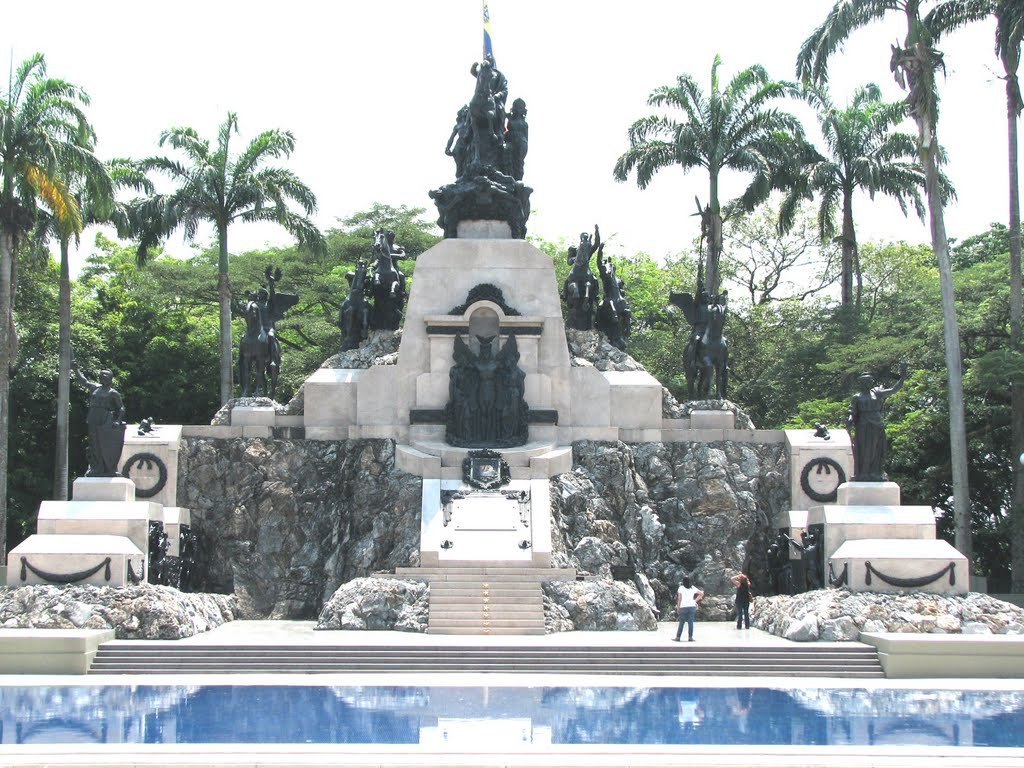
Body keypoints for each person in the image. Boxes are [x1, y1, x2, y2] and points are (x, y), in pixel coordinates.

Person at [847, 364, 908, 481]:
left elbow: (893, 389)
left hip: (876, 424)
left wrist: (902, 377)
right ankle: (863, 473)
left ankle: (876, 473)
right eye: (866, 382)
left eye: (870, 381)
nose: (869, 383)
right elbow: (852, 411)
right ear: (862, 383)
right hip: (863, 425)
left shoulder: (877, 393)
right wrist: (850, 419)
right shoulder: (856, 397)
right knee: (864, 449)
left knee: (876, 448)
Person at [74, 364, 126, 477]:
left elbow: (121, 408)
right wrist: (76, 369)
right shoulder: (95, 388)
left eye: (105, 376)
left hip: (105, 419)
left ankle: (108, 468)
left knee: (103, 443)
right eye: (101, 376)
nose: (103, 378)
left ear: (110, 378)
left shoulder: (113, 393)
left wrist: (117, 421)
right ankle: (96, 468)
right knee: (94, 444)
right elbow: (84, 381)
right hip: (93, 417)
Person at [672, 575, 704, 642]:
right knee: (690, 622)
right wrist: (694, 601)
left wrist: (678, 607)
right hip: (692, 607)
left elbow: (679, 599)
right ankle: (690, 637)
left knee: (681, 622)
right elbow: (701, 594)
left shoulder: (681, 588)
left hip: (683, 607)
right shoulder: (692, 588)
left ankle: (678, 637)